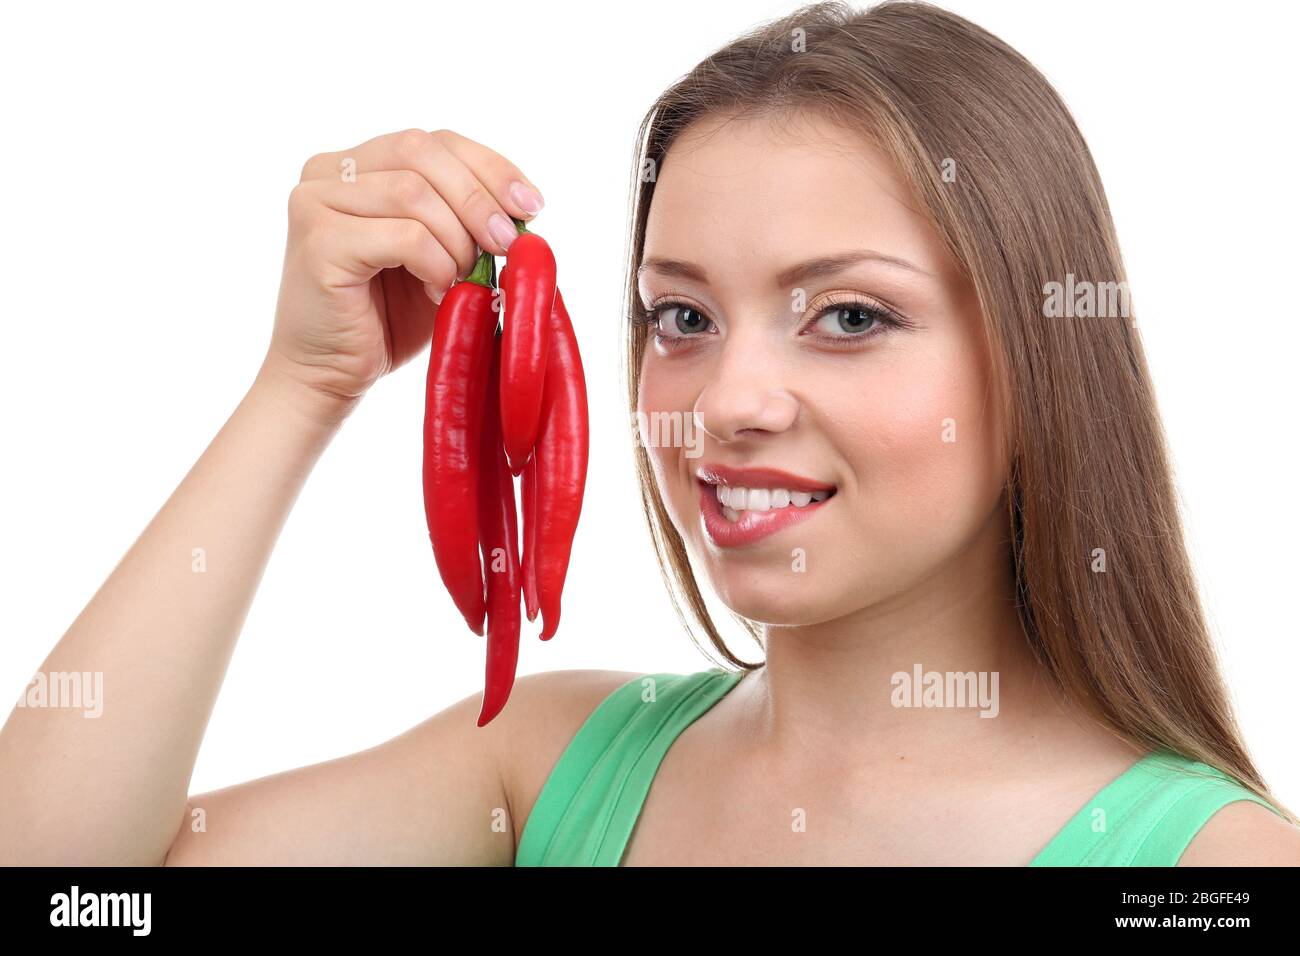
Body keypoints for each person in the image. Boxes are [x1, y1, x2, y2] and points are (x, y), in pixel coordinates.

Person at [2, 0, 1297, 866]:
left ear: (1039, 357)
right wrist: (301, 386)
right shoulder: (547, 765)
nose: (727, 402)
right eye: (680, 314)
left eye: (847, 314)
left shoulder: (1209, 866)